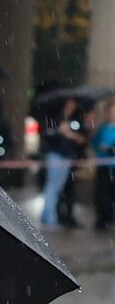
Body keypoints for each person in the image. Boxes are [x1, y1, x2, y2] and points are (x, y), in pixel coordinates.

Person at [40, 97, 86, 227]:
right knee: (52, 187)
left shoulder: (75, 121)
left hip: (67, 157)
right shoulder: (56, 119)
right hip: (56, 156)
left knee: (58, 187)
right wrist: (60, 132)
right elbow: (48, 135)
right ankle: (49, 216)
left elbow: (81, 138)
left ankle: (48, 214)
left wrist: (72, 134)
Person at [91, 96, 115, 231]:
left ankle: (110, 216)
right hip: (104, 166)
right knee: (103, 193)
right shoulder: (103, 129)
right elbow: (95, 143)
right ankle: (102, 218)